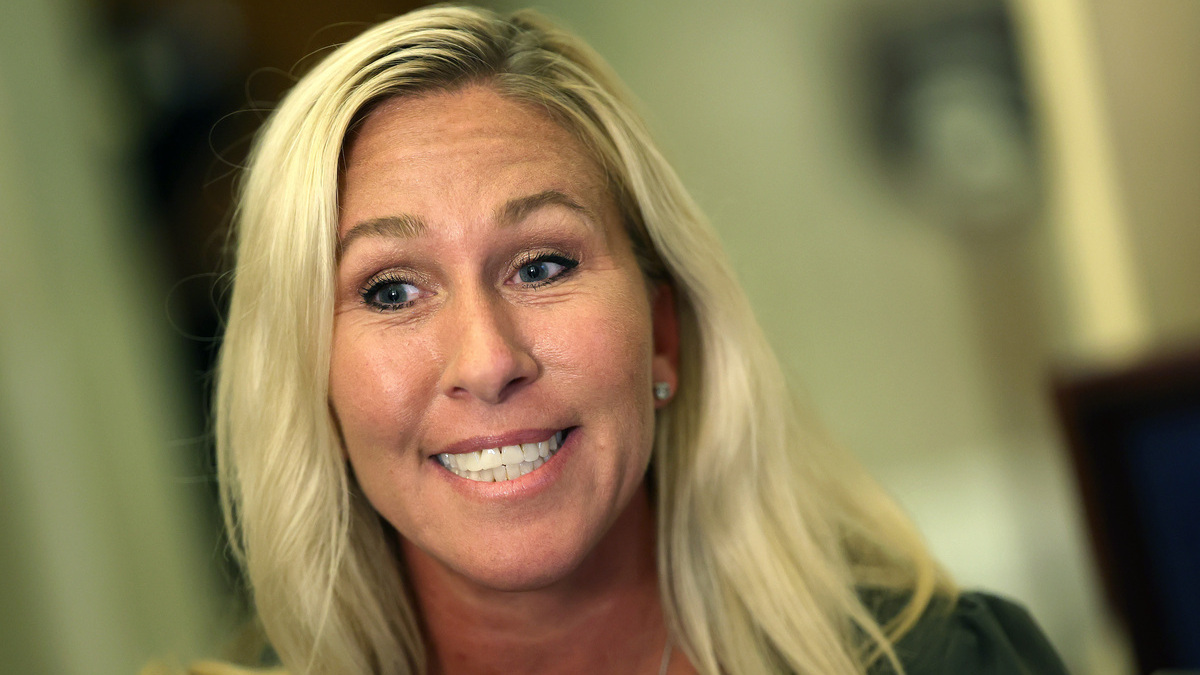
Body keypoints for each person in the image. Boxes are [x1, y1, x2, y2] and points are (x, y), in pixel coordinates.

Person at [211, 5, 1069, 674]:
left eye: (542, 266)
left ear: (663, 332)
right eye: (391, 288)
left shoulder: (950, 662)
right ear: (309, 379)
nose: (488, 359)